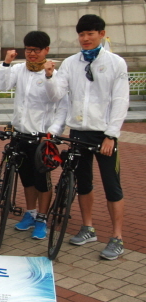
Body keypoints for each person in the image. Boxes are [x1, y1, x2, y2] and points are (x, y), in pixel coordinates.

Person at [47, 14, 128, 260]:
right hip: (79, 133)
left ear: (101, 34)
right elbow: (57, 95)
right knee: (84, 184)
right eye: (81, 34)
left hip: (104, 135)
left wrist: (111, 135)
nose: (85, 39)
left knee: (112, 186)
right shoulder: (71, 63)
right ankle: (88, 228)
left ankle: (117, 238)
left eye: (90, 34)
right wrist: (50, 75)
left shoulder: (116, 63)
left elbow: (120, 102)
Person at [0, 31, 68, 240]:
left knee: (42, 181)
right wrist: (6, 64)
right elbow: (2, 86)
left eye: (36, 50)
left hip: (42, 137)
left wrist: (52, 133)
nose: (32, 54)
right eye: (28, 50)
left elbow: (58, 100)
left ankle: (42, 218)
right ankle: (31, 212)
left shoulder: (55, 74)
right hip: (21, 134)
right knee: (26, 178)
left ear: (46, 50)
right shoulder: (20, 70)